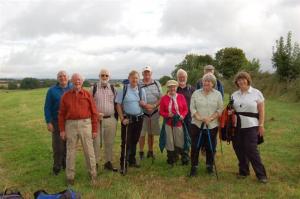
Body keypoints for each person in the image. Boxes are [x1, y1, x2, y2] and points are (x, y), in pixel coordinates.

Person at [59, 73, 98, 185]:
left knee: (89, 151)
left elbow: (94, 112)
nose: (77, 82)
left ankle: (93, 175)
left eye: (79, 80)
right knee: (70, 151)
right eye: (75, 80)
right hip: (70, 125)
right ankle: (70, 177)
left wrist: (94, 129)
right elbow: (61, 114)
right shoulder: (66, 96)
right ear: (71, 81)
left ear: (82, 81)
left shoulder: (87, 94)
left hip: (85, 124)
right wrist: (62, 130)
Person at [231, 71, 268, 183]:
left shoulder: (256, 93)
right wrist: (230, 112)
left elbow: (261, 111)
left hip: (252, 125)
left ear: (248, 80)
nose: (241, 81)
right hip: (237, 126)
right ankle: (243, 171)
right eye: (239, 80)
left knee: (251, 150)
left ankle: (261, 175)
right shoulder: (234, 95)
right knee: (238, 148)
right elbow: (232, 109)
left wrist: (261, 125)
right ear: (236, 82)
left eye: (243, 79)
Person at [189, 73, 223, 177]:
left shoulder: (217, 94)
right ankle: (194, 166)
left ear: (213, 83)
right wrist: (199, 117)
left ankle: (209, 165)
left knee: (210, 146)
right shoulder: (196, 93)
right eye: (205, 81)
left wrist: (211, 118)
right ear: (202, 82)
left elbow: (220, 109)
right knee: (195, 146)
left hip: (211, 125)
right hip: (197, 124)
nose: (206, 83)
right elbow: (192, 108)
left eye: (209, 81)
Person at [115, 70, 147, 175]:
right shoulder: (123, 90)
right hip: (128, 120)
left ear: (139, 80)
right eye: (133, 78)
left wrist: (143, 104)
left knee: (134, 141)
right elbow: (118, 105)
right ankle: (123, 165)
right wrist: (122, 118)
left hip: (139, 119)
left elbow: (144, 104)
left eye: (136, 78)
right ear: (129, 79)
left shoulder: (142, 91)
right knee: (126, 142)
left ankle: (132, 160)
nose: (134, 80)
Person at [44, 70, 72, 175]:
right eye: (60, 76)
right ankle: (57, 167)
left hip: (70, 122)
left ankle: (66, 164)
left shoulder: (72, 88)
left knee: (68, 145)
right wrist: (48, 122)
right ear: (57, 78)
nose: (62, 78)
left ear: (68, 77)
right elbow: (47, 107)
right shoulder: (51, 91)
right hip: (56, 122)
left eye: (64, 76)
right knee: (58, 146)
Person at [91, 69, 118, 172]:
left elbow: (117, 103)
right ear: (99, 76)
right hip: (97, 120)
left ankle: (108, 162)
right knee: (96, 143)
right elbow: (89, 105)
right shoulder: (93, 88)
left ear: (109, 77)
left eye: (106, 75)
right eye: (102, 75)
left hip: (110, 119)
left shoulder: (113, 88)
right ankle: (95, 164)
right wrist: (95, 114)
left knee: (109, 142)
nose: (104, 77)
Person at [159, 80, 189, 166]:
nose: (172, 88)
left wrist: (182, 116)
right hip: (168, 122)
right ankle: (171, 159)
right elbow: (161, 112)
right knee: (169, 141)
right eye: (170, 87)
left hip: (179, 122)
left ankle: (185, 158)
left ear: (176, 88)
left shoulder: (181, 97)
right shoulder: (164, 98)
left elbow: (185, 109)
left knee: (180, 140)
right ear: (168, 88)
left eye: (174, 87)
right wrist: (167, 114)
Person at [139, 66, 162, 160]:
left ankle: (150, 151)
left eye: (148, 73)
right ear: (142, 74)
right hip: (142, 113)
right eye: (145, 73)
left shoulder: (156, 83)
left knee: (151, 133)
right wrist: (145, 106)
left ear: (151, 74)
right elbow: (136, 96)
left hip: (154, 112)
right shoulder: (138, 84)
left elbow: (161, 98)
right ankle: (141, 152)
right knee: (142, 134)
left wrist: (153, 106)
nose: (147, 75)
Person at [176, 69, 195, 165]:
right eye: (180, 77)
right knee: (179, 136)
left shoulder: (191, 89)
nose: (182, 78)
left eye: (183, 77)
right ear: (177, 78)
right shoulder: (174, 89)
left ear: (186, 78)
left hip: (189, 117)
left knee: (188, 136)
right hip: (177, 118)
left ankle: (187, 155)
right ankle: (179, 154)